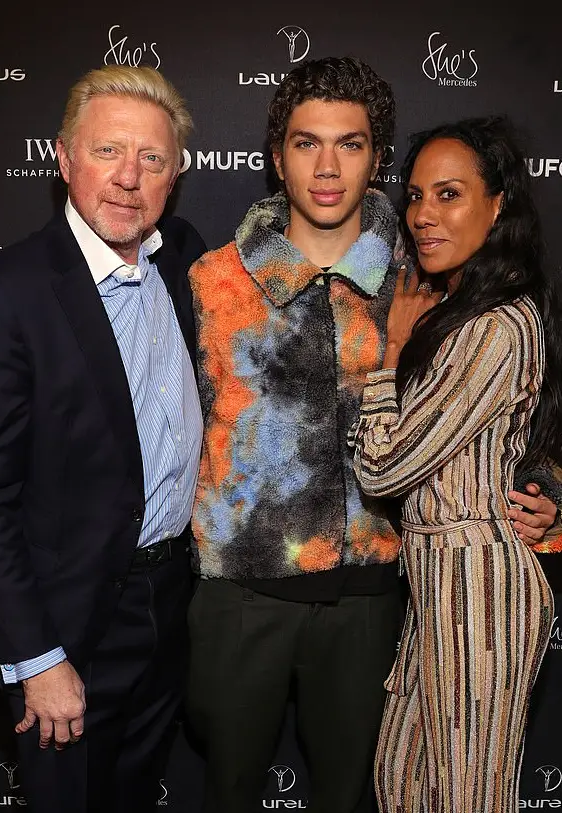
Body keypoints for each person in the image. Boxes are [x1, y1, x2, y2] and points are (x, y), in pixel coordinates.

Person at [186, 58, 557, 813]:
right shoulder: (209, 281)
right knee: (225, 788)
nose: (327, 167)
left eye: (350, 144)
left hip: (375, 597)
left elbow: (517, 403)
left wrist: (548, 487)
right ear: (276, 157)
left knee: (364, 791)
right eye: (306, 143)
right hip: (242, 592)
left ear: (377, 157)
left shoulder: (425, 275)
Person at [0, 65, 206, 813]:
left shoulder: (185, 258)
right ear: (63, 158)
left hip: (170, 604)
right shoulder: (5, 295)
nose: (129, 178)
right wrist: (37, 659)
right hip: (64, 626)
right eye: (108, 152)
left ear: (175, 175)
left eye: (152, 159)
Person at [350, 116, 562, 812]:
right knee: (403, 785)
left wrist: (386, 357)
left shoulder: (496, 327)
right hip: (438, 581)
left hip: (480, 586)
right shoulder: (464, 313)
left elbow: (382, 470)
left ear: (498, 204)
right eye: (415, 195)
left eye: (448, 195)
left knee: (468, 797)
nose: (422, 215)